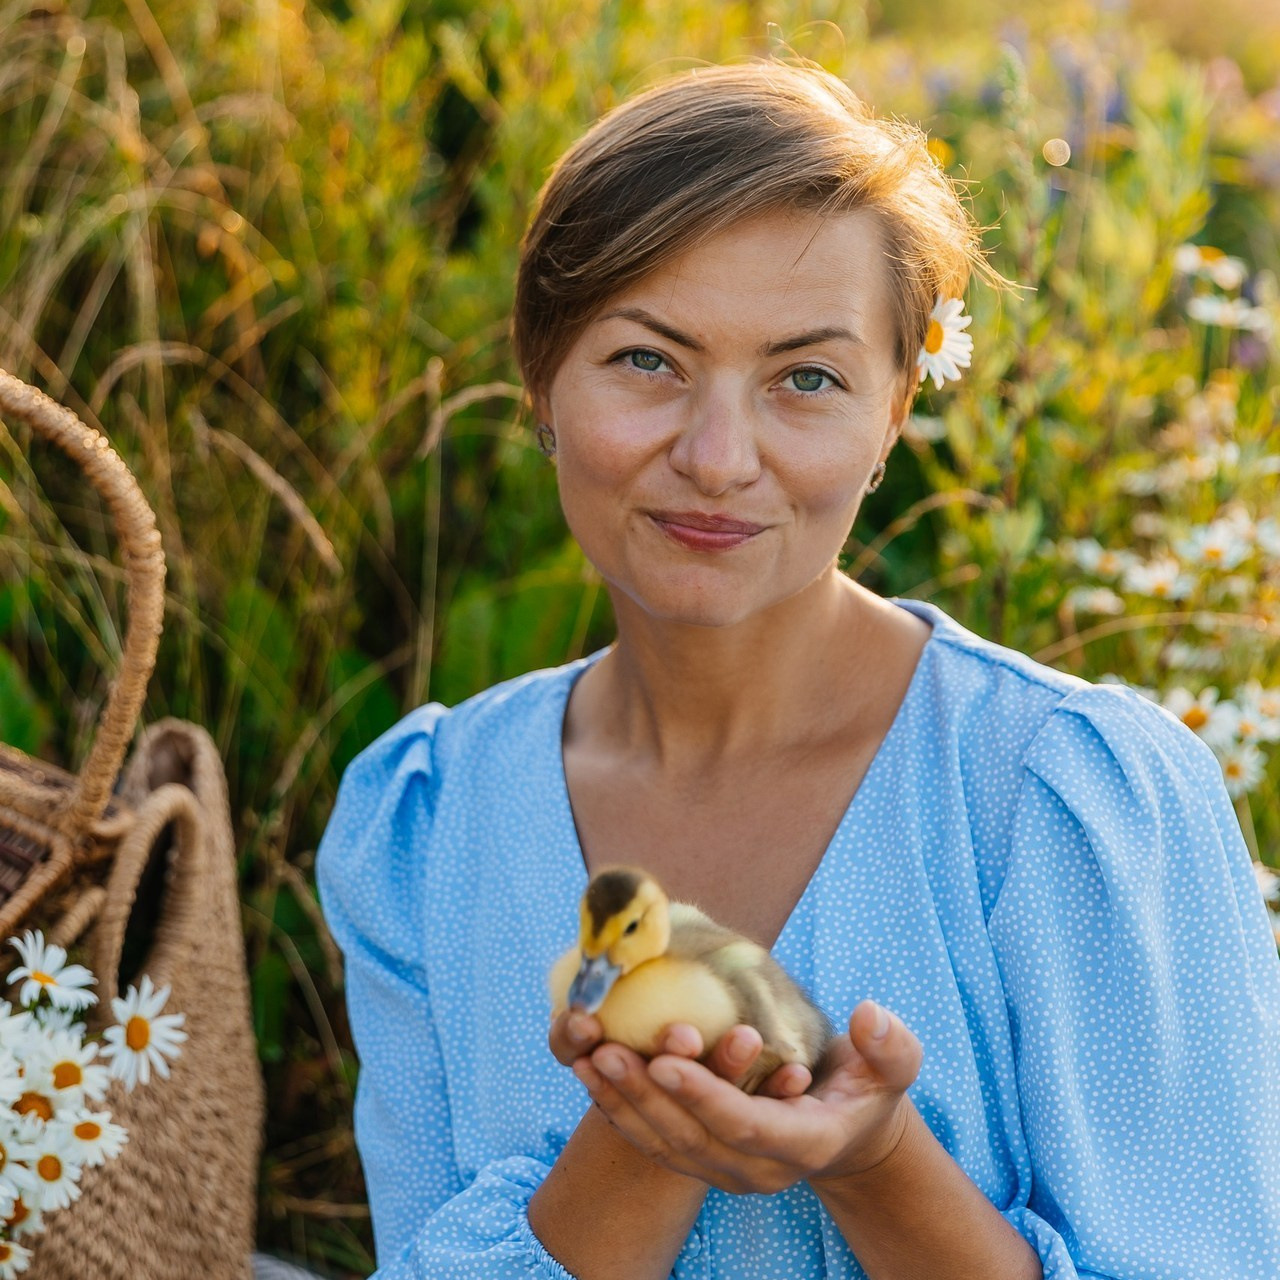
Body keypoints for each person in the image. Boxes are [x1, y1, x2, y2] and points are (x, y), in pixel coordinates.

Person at [316, 60, 1280, 1280]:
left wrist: (875, 1156)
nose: (718, 457)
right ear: (540, 380)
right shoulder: (423, 825)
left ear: (889, 418)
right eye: (647, 360)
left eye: (805, 379)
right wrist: (650, 1133)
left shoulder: (1073, 805)